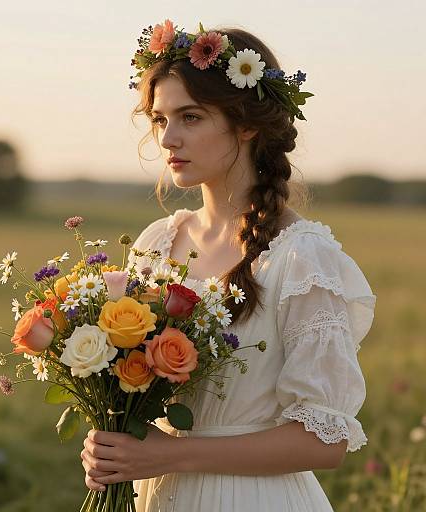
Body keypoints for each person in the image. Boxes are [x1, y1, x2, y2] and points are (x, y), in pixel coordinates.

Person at [80, 20, 377, 511]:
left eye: (191, 117)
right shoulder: (158, 244)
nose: (168, 138)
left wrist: (171, 455)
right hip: (161, 496)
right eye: (159, 119)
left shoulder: (302, 257)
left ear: (246, 122)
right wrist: (113, 447)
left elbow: (324, 441)